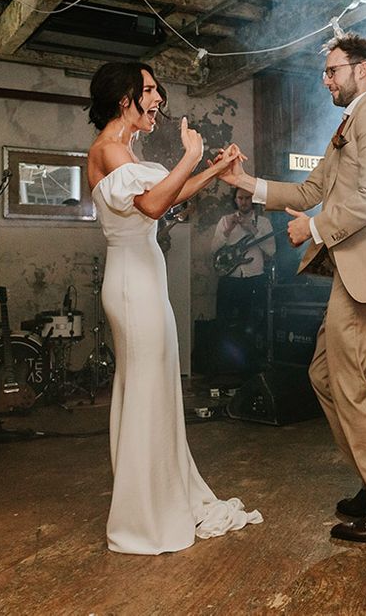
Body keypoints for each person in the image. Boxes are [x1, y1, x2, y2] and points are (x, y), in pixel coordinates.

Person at [221, 34, 366, 543]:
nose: (326, 80)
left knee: (350, 383)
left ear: (361, 70)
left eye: (332, 70)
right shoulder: (350, 121)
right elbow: (310, 190)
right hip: (353, 269)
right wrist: (245, 182)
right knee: (324, 373)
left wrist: (314, 228)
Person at [86, 61, 262, 554]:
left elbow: (168, 194)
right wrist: (191, 154)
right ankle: (141, 519)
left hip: (145, 279)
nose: (158, 98)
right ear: (125, 98)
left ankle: (160, 497)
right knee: (143, 391)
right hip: (130, 282)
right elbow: (152, 207)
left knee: (155, 390)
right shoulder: (108, 150)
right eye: (148, 91)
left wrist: (213, 169)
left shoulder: (125, 151)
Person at [211, 188, 276, 326]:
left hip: (254, 279)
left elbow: (271, 251)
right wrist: (228, 230)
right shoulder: (225, 221)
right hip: (229, 280)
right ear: (235, 200)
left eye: (247, 198)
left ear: (253, 200)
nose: (244, 202)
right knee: (225, 323)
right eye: (240, 198)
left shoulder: (263, 223)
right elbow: (214, 249)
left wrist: (253, 230)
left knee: (253, 324)